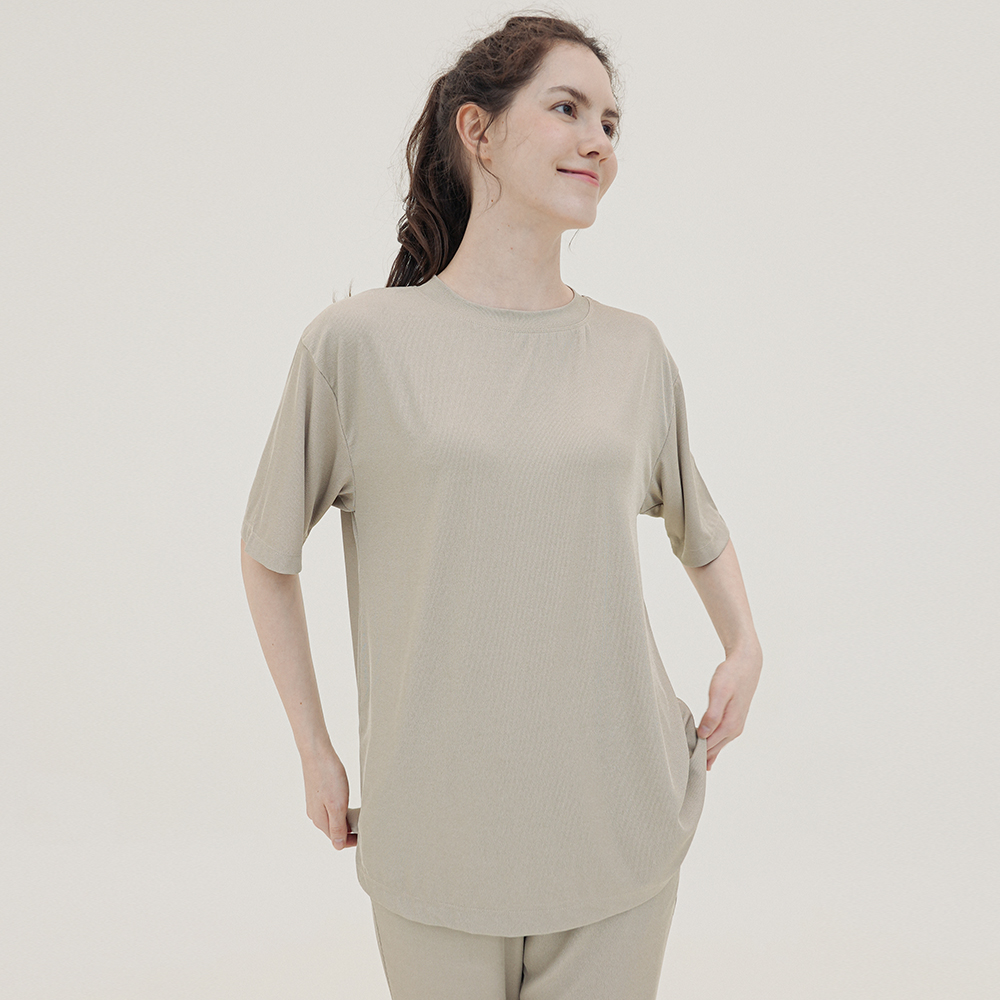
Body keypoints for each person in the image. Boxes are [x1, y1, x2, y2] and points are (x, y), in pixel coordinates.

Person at [240, 11, 762, 999]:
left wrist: (744, 645)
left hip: (621, 822)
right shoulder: (357, 345)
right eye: (567, 108)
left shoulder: (634, 350)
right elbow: (268, 553)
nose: (598, 140)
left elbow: (699, 526)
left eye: (610, 121)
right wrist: (316, 751)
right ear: (477, 131)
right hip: (434, 837)